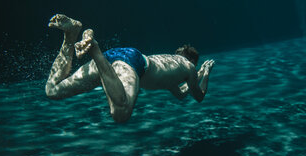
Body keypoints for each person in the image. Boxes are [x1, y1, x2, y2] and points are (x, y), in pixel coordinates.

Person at [45, 14, 215, 123]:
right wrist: (205, 73)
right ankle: (94, 48)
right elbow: (198, 96)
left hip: (117, 56)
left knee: (53, 90)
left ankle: (70, 35)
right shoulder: (189, 67)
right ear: (192, 60)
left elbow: (181, 94)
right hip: (131, 62)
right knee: (121, 113)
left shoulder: (172, 66)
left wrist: (199, 75)